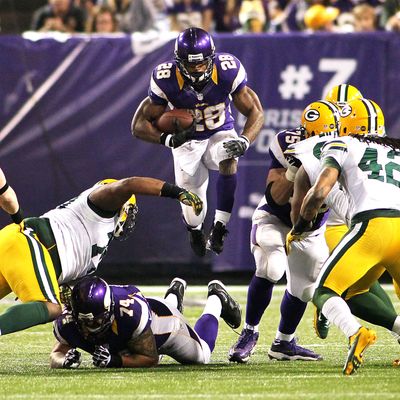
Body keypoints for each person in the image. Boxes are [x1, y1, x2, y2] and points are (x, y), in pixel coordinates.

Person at [0, 176, 202, 337]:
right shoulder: (99, 205)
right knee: (52, 308)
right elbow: (128, 185)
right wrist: (177, 192)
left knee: (53, 302)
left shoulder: (100, 236)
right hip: (31, 243)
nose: (131, 217)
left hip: (17, 245)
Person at [287, 98, 400, 375]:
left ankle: (357, 333)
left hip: (372, 226)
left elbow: (320, 191)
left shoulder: (343, 143)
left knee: (324, 290)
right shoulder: (397, 149)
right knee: (357, 289)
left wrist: (300, 227)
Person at [131, 27, 264, 257]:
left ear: (211, 58)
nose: (197, 69)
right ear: (179, 62)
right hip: (187, 143)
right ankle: (195, 230)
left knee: (228, 153)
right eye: (191, 65)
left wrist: (244, 140)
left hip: (218, 132)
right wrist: (167, 139)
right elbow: (139, 125)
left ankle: (221, 225)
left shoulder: (226, 70)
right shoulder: (166, 78)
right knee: (194, 209)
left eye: (201, 64)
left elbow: (256, 112)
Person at [228, 100, 340, 363]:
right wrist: (293, 170)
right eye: (314, 135)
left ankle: (284, 343)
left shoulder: (345, 149)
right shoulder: (287, 143)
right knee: (272, 268)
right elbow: (276, 198)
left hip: (311, 228)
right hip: (275, 219)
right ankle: (249, 332)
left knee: (304, 287)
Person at [50, 276, 241, 368]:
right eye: (83, 321)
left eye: (96, 320)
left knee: (202, 356)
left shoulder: (130, 316)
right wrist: (63, 361)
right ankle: (174, 294)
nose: (89, 327)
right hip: (144, 317)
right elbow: (56, 354)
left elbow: (149, 358)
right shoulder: (69, 321)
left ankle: (216, 299)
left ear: (108, 311)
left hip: (165, 326)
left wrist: (114, 361)